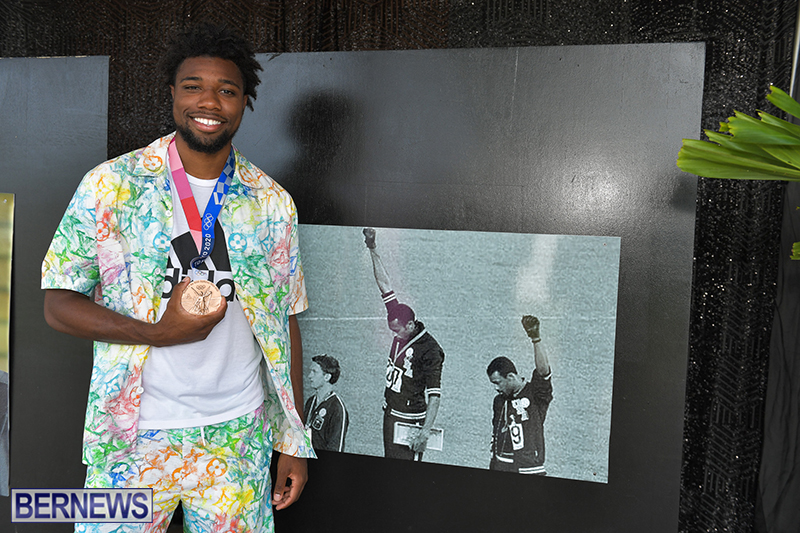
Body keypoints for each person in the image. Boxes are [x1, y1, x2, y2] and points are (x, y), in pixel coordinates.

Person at [41, 24, 314, 532]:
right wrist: (154, 334)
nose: (209, 101)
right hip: (130, 436)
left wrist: (292, 443)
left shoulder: (273, 203)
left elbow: (285, 324)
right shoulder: (112, 185)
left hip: (238, 435)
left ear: (244, 102)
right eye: (193, 86)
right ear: (172, 94)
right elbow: (56, 303)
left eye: (227, 90)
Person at [363, 227, 444, 461]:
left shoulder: (430, 350)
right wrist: (372, 247)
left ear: (410, 325)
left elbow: (435, 396)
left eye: (397, 331)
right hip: (390, 413)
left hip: (411, 419)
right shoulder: (398, 316)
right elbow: (383, 282)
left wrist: (425, 431)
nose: (395, 335)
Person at [487, 315, 553, 475]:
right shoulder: (499, 401)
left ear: (510, 377)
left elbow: (543, 372)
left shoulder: (535, 394)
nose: (496, 388)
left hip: (529, 470)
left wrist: (536, 339)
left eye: (497, 382)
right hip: (500, 466)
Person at [304, 354, 349, 452]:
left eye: (314, 372)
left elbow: (336, 449)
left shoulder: (337, 409)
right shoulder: (310, 402)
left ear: (327, 377)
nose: (309, 376)